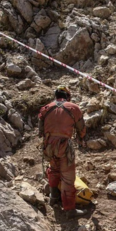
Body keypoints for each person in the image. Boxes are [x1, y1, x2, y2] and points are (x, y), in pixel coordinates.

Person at [38, 85, 87, 218]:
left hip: (48, 145)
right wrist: (81, 138)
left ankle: (54, 197)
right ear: (68, 96)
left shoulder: (46, 108)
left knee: (53, 169)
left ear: (56, 96)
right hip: (64, 146)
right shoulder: (73, 108)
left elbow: (40, 130)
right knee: (67, 177)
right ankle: (69, 210)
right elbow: (81, 129)